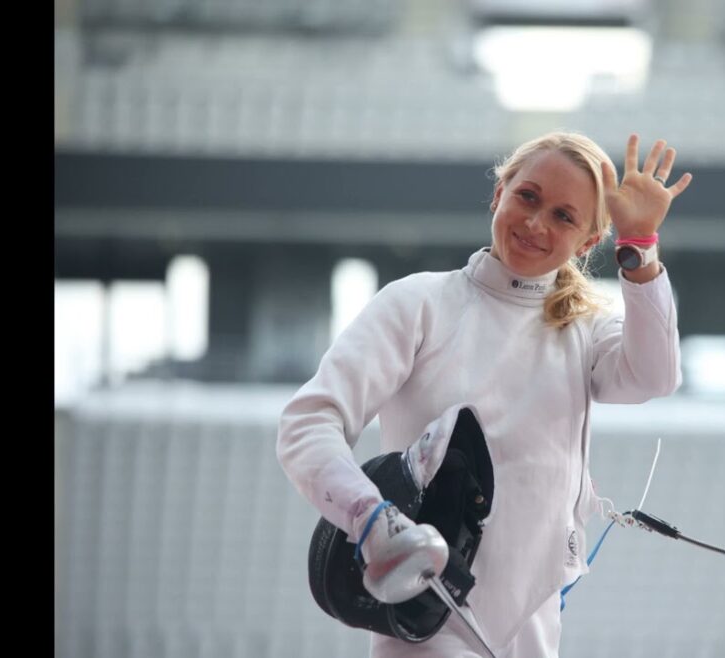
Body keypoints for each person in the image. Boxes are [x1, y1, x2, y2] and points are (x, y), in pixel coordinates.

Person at [277, 131, 693, 657]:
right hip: (429, 623)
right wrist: (369, 518)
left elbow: (654, 376)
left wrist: (640, 247)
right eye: (528, 197)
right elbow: (307, 423)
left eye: (565, 216)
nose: (537, 223)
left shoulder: (586, 330)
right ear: (499, 194)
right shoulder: (418, 303)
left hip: (535, 630)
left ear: (589, 243)